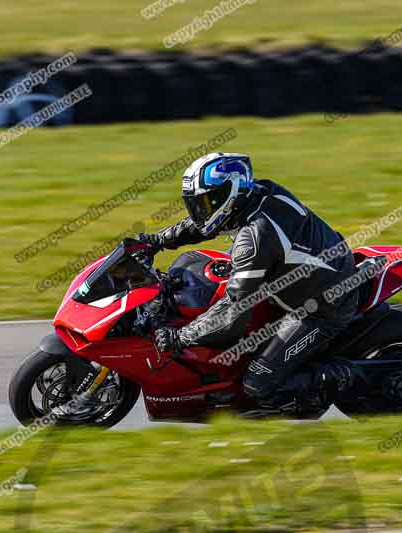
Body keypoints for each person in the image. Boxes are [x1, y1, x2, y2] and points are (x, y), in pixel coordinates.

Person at [138, 152, 359, 413]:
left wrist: (180, 336)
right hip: (307, 275)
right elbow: (206, 223)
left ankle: (343, 377)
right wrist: (159, 240)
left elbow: (233, 316)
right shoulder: (259, 192)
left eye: (207, 203)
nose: (200, 210)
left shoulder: (254, 237)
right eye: (197, 203)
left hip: (322, 307)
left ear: (229, 194)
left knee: (257, 384)